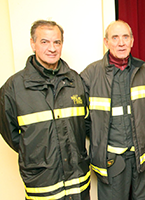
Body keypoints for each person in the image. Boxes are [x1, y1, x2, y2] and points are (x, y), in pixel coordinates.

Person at [0, 20, 90, 200]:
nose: (52, 48)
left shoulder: (76, 81)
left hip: (78, 182)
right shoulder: (13, 88)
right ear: (32, 44)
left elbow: (85, 123)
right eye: (44, 42)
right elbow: (11, 134)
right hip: (42, 184)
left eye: (57, 42)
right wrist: (35, 155)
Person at [80, 20, 145, 200]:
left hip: (141, 157)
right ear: (106, 42)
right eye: (115, 38)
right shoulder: (90, 74)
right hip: (112, 159)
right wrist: (99, 139)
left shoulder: (143, 69)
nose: (121, 43)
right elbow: (83, 119)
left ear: (132, 41)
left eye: (125, 37)